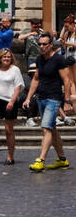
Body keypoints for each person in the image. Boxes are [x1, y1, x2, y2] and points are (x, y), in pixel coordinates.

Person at [25, 32, 73, 173]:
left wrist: (67, 101)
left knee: (46, 128)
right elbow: (35, 78)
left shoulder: (58, 59)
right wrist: (28, 98)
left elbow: (67, 80)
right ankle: (62, 160)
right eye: (39, 44)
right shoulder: (40, 59)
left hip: (54, 98)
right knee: (52, 130)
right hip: (41, 97)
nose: (41, 46)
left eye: (44, 44)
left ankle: (41, 160)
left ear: (51, 45)